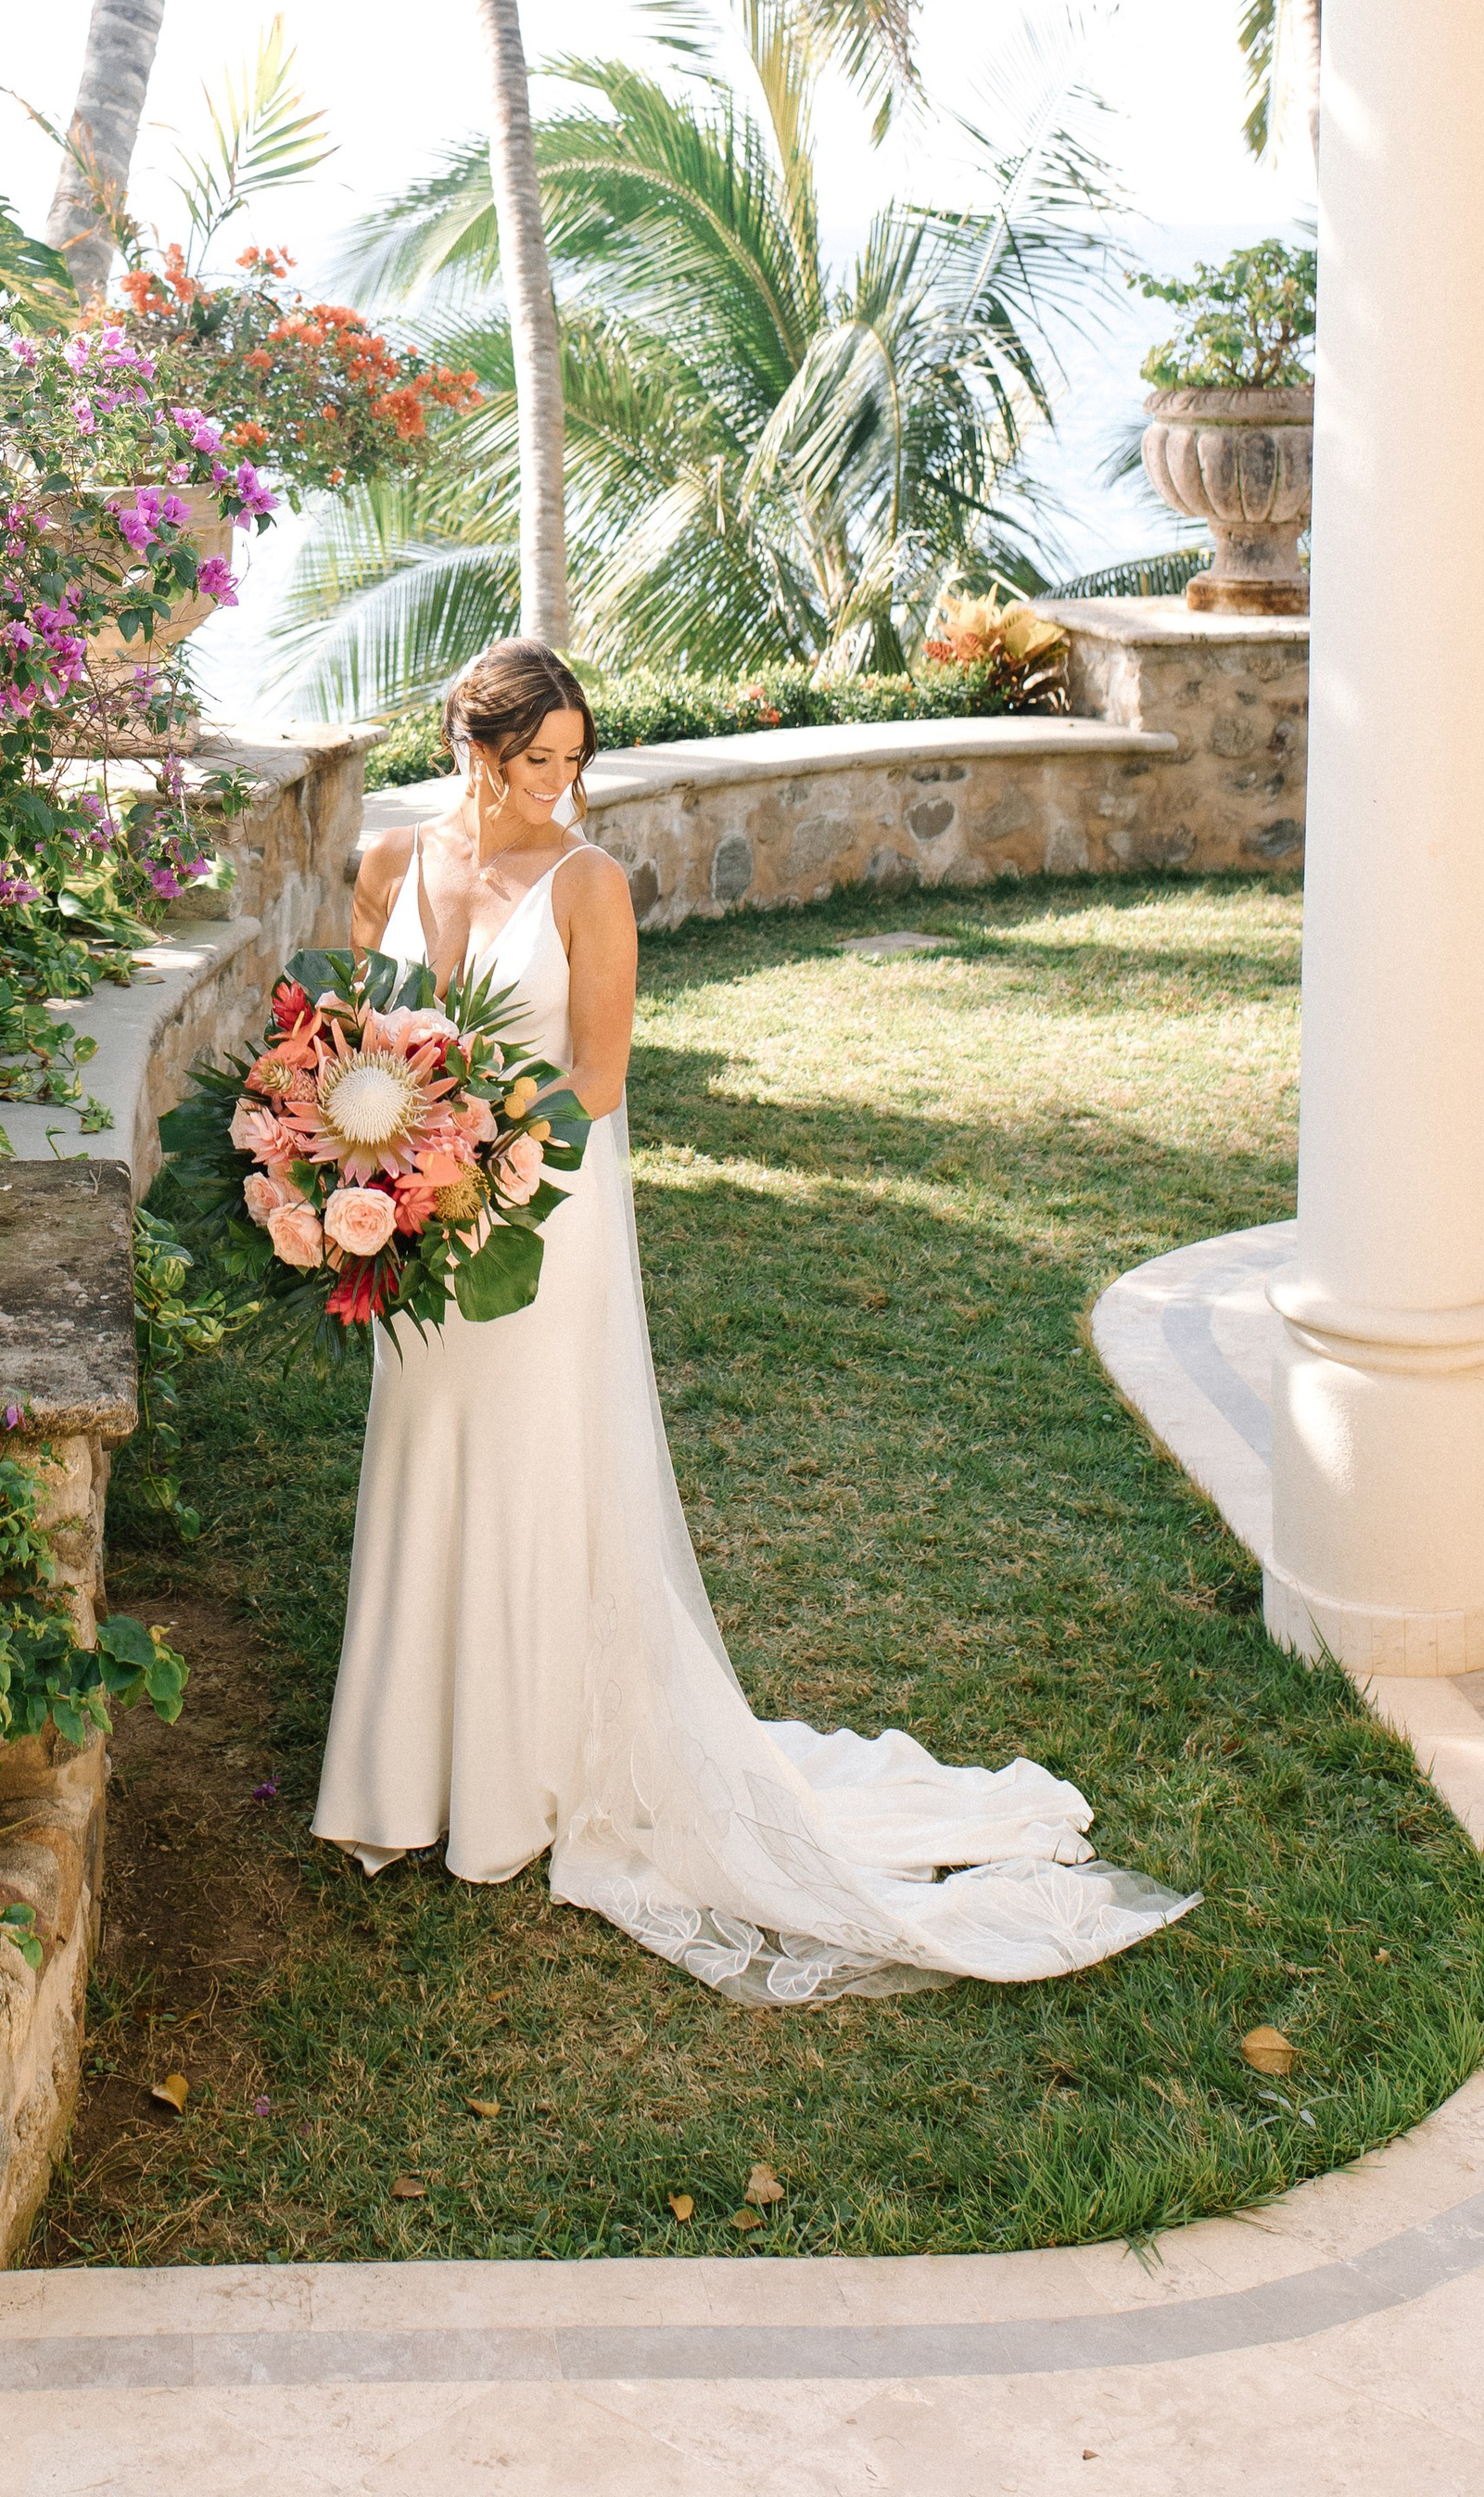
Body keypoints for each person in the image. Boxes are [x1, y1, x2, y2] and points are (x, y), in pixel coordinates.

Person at [311, 637, 1193, 2001]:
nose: (558, 783)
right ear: (469, 749)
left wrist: (469, 1142)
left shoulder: (590, 885)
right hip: (416, 1228)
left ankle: (517, 1777)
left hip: (538, 1215)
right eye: (534, 759)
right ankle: (407, 1762)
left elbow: (599, 1079)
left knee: (537, 1464)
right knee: (425, 1453)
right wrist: (351, 1149)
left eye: (573, 760)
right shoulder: (389, 866)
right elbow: (350, 1042)